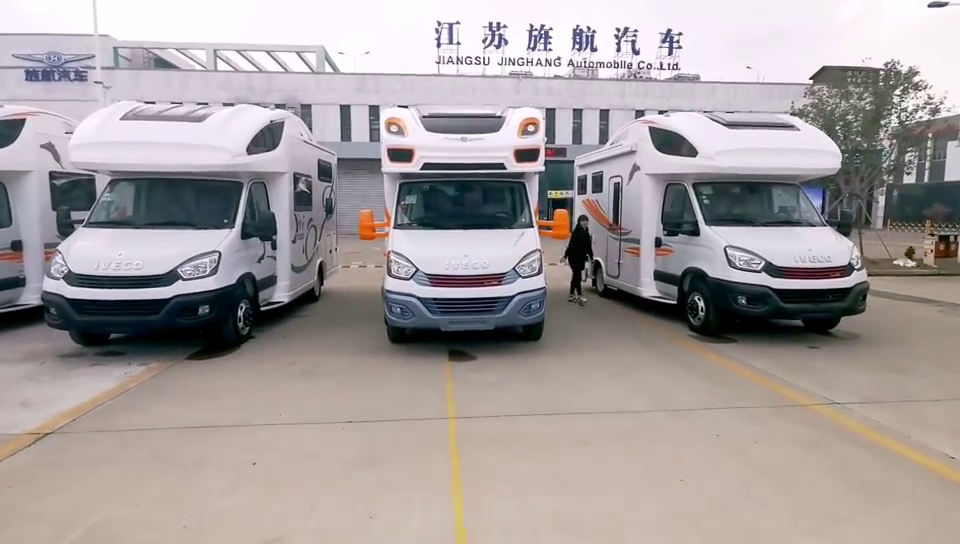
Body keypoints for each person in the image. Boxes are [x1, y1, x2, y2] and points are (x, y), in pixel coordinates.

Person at [562, 214, 593, 303]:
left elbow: (588, 246)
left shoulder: (586, 232)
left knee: (576, 276)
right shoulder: (576, 232)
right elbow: (570, 245)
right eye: (582, 221)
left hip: (581, 258)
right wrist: (565, 256)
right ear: (579, 222)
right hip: (573, 257)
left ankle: (571, 294)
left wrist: (591, 256)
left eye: (586, 221)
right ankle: (579, 294)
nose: (584, 223)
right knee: (577, 276)